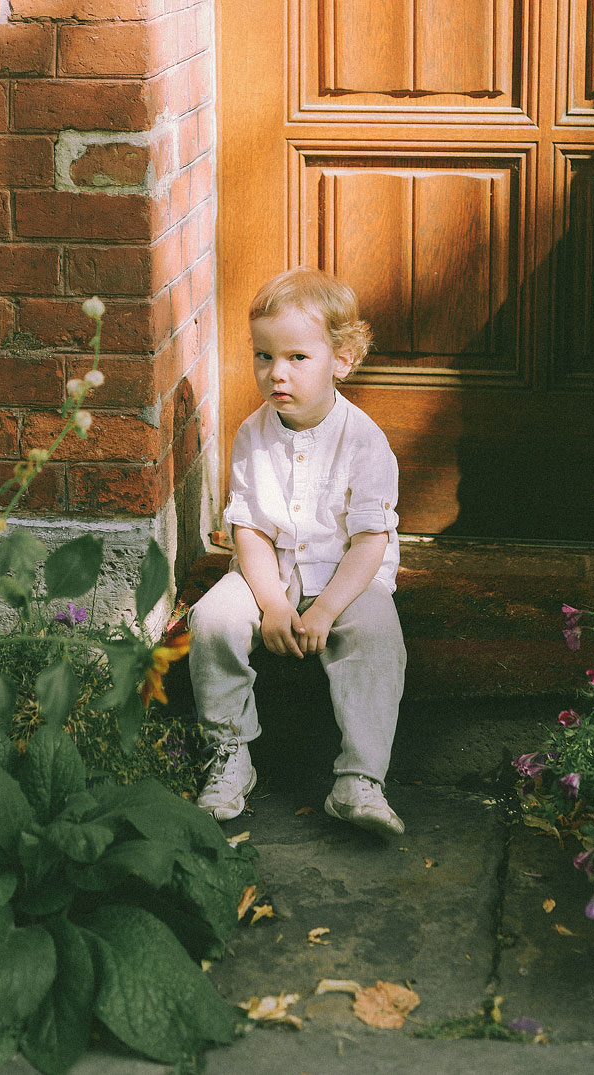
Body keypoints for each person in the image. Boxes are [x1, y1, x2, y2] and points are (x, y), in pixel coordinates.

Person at [188, 267, 406, 836]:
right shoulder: (251, 434)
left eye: (296, 358)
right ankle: (229, 753)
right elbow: (252, 532)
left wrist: (327, 609)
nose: (275, 372)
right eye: (263, 356)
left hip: (347, 577)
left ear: (342, 359)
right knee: (212, 619)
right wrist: (274, 606)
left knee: (378, 633)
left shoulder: (364, 441)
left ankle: (360, 778)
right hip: (272, 572)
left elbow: (369, 542)